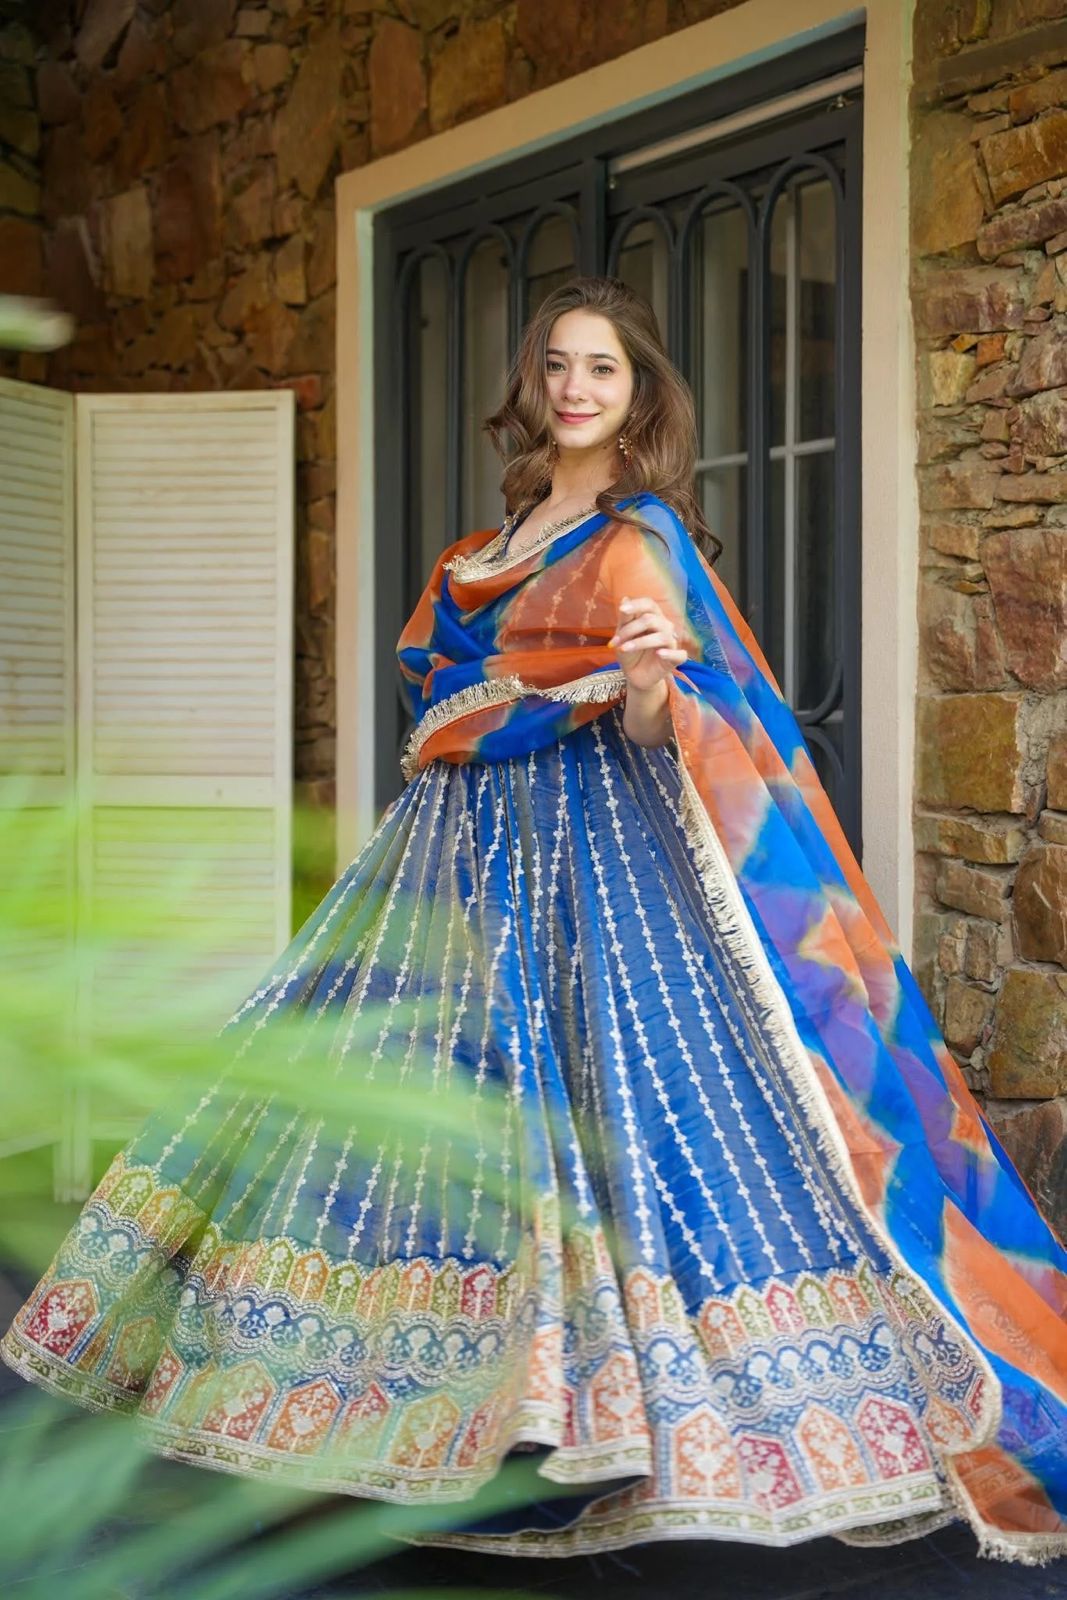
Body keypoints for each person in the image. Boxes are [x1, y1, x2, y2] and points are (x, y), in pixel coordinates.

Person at [3, 276, 1066, 1568]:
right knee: (414, 1100)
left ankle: (619, 1397)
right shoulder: (478, 552)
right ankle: (404, 1388)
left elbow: (652, 724)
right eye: (557, 365)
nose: (574, 387)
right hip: (451, 865)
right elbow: (440, 706)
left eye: (602, 369)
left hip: (603, 865)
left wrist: (640, 683)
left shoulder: (641, 537)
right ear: (532, 386)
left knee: (626, 1105)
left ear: (639, 395)